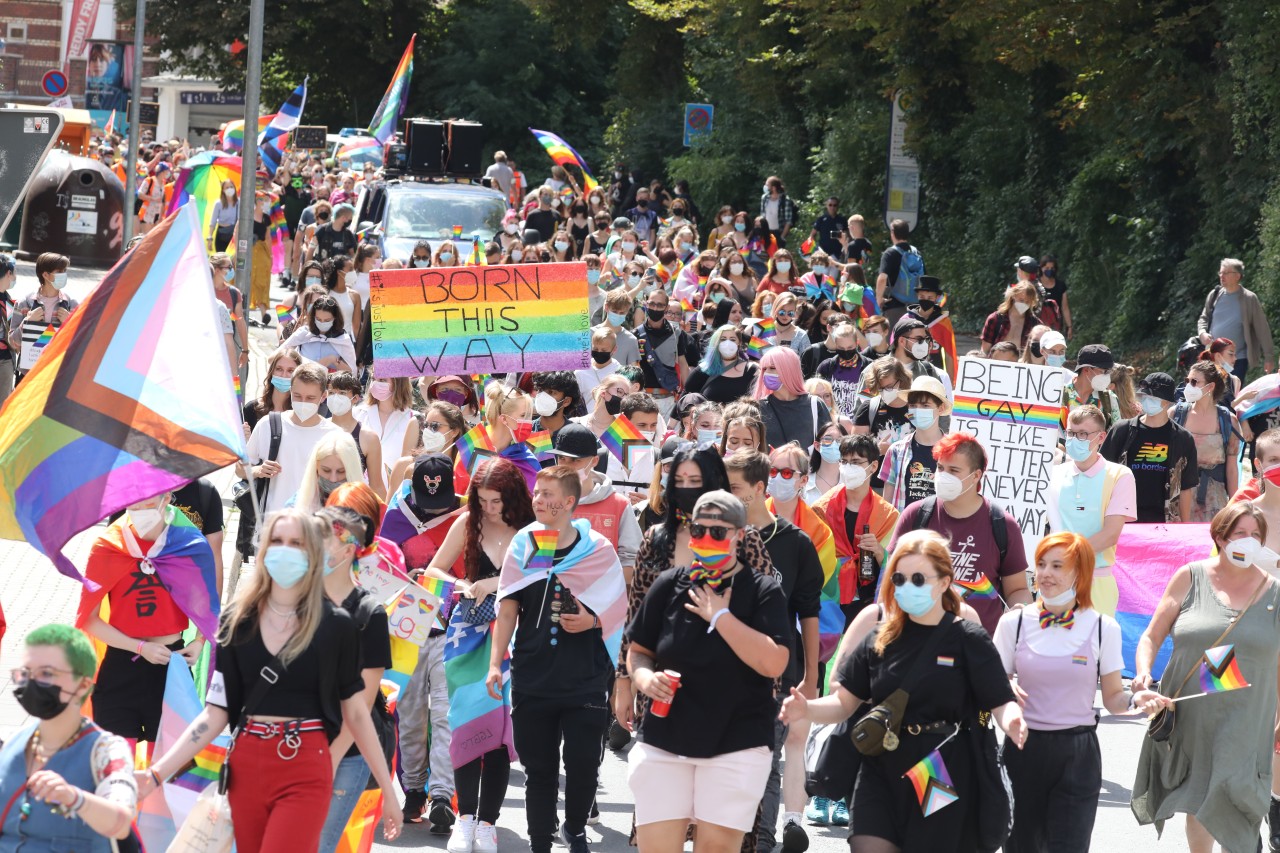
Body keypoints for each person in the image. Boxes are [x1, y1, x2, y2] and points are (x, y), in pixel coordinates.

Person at [136, 509, 403, 853]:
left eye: (296, 543)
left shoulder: (337, 625)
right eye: (277, 541)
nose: (285, 550)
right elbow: (215, 713)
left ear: (312, 554)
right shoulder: (237, 621)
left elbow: (356, 713)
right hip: (248, 763)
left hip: (306, 762)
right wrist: (156, 774)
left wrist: (389, 792)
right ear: (263, 549)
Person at [779, 529, 1027, 852]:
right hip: (879, 767)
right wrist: (807, 709)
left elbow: (999, 699)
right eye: (899, 578)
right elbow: (843, 701)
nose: (907, 587)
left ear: (943, 581)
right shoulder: (879, 637)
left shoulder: (967, 638)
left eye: (919, 579)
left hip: (936, 768)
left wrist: (1013, 721)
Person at [626, 489, 790, 853]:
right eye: (699, 530)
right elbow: (638, 653)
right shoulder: (669, 584)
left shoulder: (762, 590)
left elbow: (774, 662)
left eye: (718, 532)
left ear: (740, 536)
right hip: (666, 738)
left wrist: (720, 616)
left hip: (737, 742)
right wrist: (644, 679)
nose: (706, 539)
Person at [488, 467, 626, 853]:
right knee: (540, 770)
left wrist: (592, 620)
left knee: (583, 765)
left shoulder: (597, 549)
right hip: (533, 674)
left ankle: (576, 829)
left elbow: (618, 607)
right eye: (537, 492)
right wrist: (496, 663)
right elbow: (508, 607)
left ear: (569, 502)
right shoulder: (526, 544)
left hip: (585, 676)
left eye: (548, 493)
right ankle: (539, 843)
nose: (538, 499)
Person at [1131, 502, 1280, 853]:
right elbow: (1152, 635)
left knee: (1236, 793)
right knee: (1199, 796)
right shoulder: (1189, 576)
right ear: (1219, 536)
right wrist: (1142, 674)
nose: (1248, 541)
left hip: (1248, 716)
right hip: (1191, 713)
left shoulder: (1275, 591)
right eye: (1240, 533)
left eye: (1256, 535)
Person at [992, 532, 1138, 853]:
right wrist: (1004, 691)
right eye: (1042, 564)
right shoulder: (1013, 623)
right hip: (1022, 749)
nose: (1046, 573)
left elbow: (1114, 699)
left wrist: (1139, 700)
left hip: (1078, 755)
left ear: (1080, 573)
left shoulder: (1103, 627)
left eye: (1058, 566)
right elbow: (994, 690)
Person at [428, 459, 533, 853]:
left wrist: (497, 582)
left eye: (496, 501)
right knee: (465, 726)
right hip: (467, 635)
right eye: (483, 500)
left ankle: (488, 822)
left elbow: (543, 577)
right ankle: (465, 819)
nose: (489, 508)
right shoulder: (466, 522)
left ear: (513, 497)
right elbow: (433, 570)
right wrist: (463, 583)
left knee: (500, 733)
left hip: (516, 636)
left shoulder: (530, 530)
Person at [726, 452, 825, 853]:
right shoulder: (717, 537)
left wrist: (812, 677)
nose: (726, 495)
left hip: (777, 676)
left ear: (758, 490)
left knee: (765, 764)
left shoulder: (796, 543)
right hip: (721, 674)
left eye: (733, 488)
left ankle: (763, 842)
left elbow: (810, 612)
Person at [76, 494, 215, 752]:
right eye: (133, 500)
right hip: (120, 667)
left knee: (163, 771)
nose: (138, 508)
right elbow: (89, 620)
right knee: (114, 765)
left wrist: (198, 643)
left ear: (167, 499)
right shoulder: (107, 545)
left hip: (171, 667)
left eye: (147, 501)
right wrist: (139, 647)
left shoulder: (190, 545)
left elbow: (208, 610)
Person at [0, 624, 139, 850]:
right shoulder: (9, 744)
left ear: (83, 684)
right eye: (26, 673)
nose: (32, 682)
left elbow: (122, 822)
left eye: (46, 674)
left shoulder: (106, 750)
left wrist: (75, 798)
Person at [890, 433, 1033, 633]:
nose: (942, 475)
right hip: (917, 640)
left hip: (978, 647)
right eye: (940, 468)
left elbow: (1017, 590)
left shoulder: (1003, 525)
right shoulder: (915, 515)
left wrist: (1020, 611)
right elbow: (889, 582)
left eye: (953, 470)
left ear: (976, 475)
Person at [314, 508, 394, 853]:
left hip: (345, 754)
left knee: (320, 845)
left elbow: (361, 704)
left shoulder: (369, 614)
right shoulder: (296, 604)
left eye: (318, 542)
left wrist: (329, 758)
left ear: (348, 550)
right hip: (296, 746)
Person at [1046, 405, 1138, 617]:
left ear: (1101, 437)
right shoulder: (1053, 474)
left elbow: (1110, 535)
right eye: (1070, 433)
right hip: (1055, 580)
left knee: (1093, 648)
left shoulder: (1120, 475)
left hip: (1097, 581)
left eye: (1083, 434)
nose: (1074, 439)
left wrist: (1067, 557)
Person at [813, 434, 900, 627]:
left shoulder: (888, 516)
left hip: (867, 602)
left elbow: (895, 563)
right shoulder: (821, 509)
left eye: (856, 462)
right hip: (829, 596)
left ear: (873, 466)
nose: (848, 468)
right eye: (844, 461)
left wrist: (878, 551)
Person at [1100, 372, 1198, 523]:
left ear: (1167, 401)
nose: (1147, 401)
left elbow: (1186, 488)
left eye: (1153, 398)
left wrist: (1184, 526)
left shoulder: (1183, 439)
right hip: (1121, 519)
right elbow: (1102, 474)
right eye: (1145, 397)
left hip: (1163, 520)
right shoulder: (1122, 430)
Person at [243, 362, 340, 513]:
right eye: (297, 396)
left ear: (323, 397)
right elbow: (240, 469)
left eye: (310, 398)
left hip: (313, 527)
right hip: (272, 524)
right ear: (290, 391)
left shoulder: (334, 435)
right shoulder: (268, 424)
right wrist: (258, 470)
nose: (303, 402)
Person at [550, 422, 645, 574]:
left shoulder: (618, 504)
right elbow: (538, 560)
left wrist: (603, 587)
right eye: (562, 458)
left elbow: (633, 558)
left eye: (575, 460)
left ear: (594, 461)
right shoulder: (547, 502)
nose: (567, 466)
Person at [1173, 360, 1242, 522]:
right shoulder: (1175, 415)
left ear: (1210, 387)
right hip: (1177, 498)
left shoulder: (1228, 421)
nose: (1188, 386)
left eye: (1194, 382)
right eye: (1187, 381)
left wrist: (1235, 508)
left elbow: (1232, 470)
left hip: (1214, 502)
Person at [1196, 257, 1274, 384]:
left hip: (1237, 359)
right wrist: (1202, 333)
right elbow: (1203, 319)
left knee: (1230, 394)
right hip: (1214, 358)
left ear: (1237, 276)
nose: (1222, 276)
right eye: (1220, 273)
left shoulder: (1249, 298)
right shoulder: (1214, 295)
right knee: (1213, 395)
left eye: (1226, 273)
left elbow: (1262, 329)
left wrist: (1269, 357)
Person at [879, 376, 951, 512]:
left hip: (939, 530)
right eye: (912, 405)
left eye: (925, 405)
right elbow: (887, 505)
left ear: (940, 409)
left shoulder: (953, 451)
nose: (917, 410)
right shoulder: (896, 450)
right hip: (905, 530)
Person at [8, 253, 77, 378]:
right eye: (60, 271)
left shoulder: (71, 305)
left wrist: (70, 323)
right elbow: (13, 342)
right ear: (45, 275)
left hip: (57, 375)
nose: (64, 274)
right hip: (28, 375)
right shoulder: (24, 303)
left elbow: (80, 343)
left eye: (65, 270)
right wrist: (27, 322)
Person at [324, 371, 387, 498]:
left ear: (355, 398)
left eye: (342, 393)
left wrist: (381, 515)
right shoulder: (317, 428)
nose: (336, 397)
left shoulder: (368, 438)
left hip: (351, 506)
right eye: (331, 393)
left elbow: (377, 486)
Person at [756, 346, 833, 449]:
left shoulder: (815, 404)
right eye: (764, 369)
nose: (767, 373)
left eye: (773, 368)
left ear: (789, 370)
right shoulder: (758, 408)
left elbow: (829, 445)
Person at [635, 289, 695, 416]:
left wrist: (688, 395)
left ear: (666, 307)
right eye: (652, 304)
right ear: (646, 304)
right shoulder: (635, 334)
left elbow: (683, 365)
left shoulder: (676, 334)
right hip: (642, 399)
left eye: (660, 305)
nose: (655, 308)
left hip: (668, 399)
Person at [359, 375, 421, 482]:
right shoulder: (358, 414)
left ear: (398, 383)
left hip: (394, 493)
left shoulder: (415, 420)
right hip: (360, 493)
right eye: (373, 379)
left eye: (382, 380)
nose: (376, 384)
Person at [282, 293, 357, 373]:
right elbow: (278, 356)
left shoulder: (343, 339)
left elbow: (353, 373)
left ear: (335, 318)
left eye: (327, 320)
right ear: (313, 317)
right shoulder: (303, 333)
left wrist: (333, 360)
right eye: (318, 319)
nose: (322, 323)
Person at [290, 431, 363, 512]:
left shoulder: (368, 505)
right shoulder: (296, 504)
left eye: (341, 471)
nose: (333, 479)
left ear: (352, 470)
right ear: (316, 466)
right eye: (326, 470)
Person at [685, 324, 760, 403]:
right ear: (716, 342)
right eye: (723, 339)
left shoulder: (752, 371)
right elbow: (685, 401)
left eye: (732, 339)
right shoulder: (704, 370)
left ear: (739, 343)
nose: (727, 343)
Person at [874, 219, 924, 326]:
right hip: (914, 308)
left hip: (894, 307)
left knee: (893, 341)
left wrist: (878, 300)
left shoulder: (890, 253)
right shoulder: (916, 252)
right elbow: (923, 278)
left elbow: (882, 278)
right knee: (911, 340)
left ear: (892, 233)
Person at [1062, 344, 1123, 429]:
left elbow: (1116, 435)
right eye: (1103, 371)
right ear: (1086, 369)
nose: (1106, 376)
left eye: (1108, 372)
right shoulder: (1059, 396)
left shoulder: (1109, 399)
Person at [815, 320, 867, 418]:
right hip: (833, 421)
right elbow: (818, 396)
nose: (846, 351)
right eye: (841, 348)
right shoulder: (826, 367)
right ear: (835, 344)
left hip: (860, 423)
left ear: (857, 343)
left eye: (850, 347)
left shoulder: (868, 366)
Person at [981, 282, 1041, 354]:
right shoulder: (995, 319)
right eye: (1021, 300)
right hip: (996, 363)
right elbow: (984, 351)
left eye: (1027, 302)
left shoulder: (1035, 325)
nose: (1024, 304)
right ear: (1013, 296)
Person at [1038, 254, 1071, 337]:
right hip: (1038, 327)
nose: (1049, 270)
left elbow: (1065, 307)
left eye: (1052, 268)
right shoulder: (1035, 285)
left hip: (1056, 326)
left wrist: (1069, 326)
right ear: (1041, 268)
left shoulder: (1060, 285)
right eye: (1047, 268)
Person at [760, 176, 797, 247]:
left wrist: (782, 237)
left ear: (773, 188)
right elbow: (762, 215)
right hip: (767, 232)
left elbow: (788, 221)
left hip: (778, 232)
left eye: (767, 185)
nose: (765, 187)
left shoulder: (786, 200)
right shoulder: (764, 198)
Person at [208, 178, 239, 251]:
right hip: (221, 235)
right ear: (223, 190)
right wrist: (210, 238)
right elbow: (213, 222)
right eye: (227, 187)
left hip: (234, 236)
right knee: (221, 259)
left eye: (231, 187)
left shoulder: (239, 202)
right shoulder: (218, 204)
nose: (230, 189)